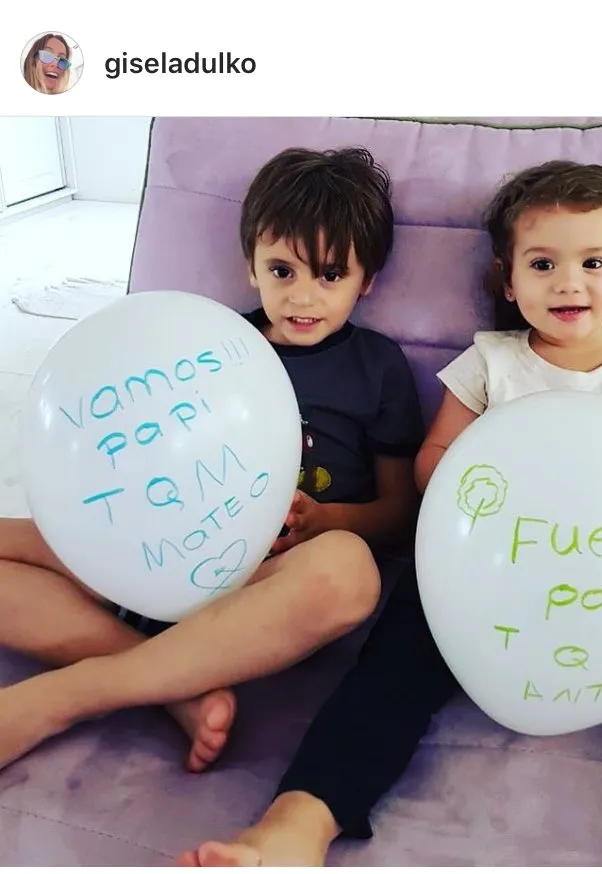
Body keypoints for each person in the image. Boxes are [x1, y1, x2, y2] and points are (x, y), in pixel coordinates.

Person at [180, 158, 602, 868]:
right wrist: (496, 478)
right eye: (542, 263)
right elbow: (433, 463)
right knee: (403, 644)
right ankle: (303, 816)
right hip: (490, 581)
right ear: (508, 280)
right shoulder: (492, 363)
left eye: (594, 262)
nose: (568, 282)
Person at [0, 146, 424, 784]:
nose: (302, 295)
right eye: (281, 270)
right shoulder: (209, 344)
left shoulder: (377, 367)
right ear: (251, 266)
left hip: (267, 587)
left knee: (350, 573)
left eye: (330, 274)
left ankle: (75, 695)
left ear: (366, 280)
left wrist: (327, 520)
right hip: (149, 557)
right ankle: (174, 688)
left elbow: (400, 512)